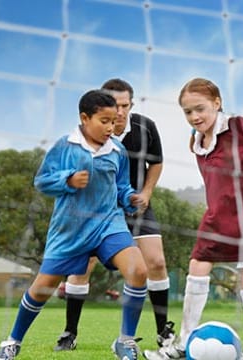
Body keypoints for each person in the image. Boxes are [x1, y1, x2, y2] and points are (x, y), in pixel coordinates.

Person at [0, 90, 148, 360]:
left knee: (138, 270)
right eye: (104, 121)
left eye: (114, 121)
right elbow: (42, 181)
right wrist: (68, 180)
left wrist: (130, 198)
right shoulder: (65, 146)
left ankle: (125, 341)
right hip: (70, 229)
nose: (111, 127)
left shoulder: (118, 150)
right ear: (84, 118)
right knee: (42, 288)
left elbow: (121, 186)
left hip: (108, 224)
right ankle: (12, 342)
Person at [144, 78, 243, 360]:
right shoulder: (197, 144)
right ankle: (182, 345)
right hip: (218, 219)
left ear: (217, 103)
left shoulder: (239, 127)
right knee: (197, 266)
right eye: (188, 112)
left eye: (200, 109)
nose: (195, 117)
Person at [54, 78, 174, 353]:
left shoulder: (145, 127)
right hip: (98, 208)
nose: (119, 112)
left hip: (136, 205)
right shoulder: (86, 132)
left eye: (125, 105)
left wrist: (146, 193)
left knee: (155, 261)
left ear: (132, 104)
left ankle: (163, 332)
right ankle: (69, 332)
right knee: (83, 266)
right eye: (114, 105)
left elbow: (156, 163)